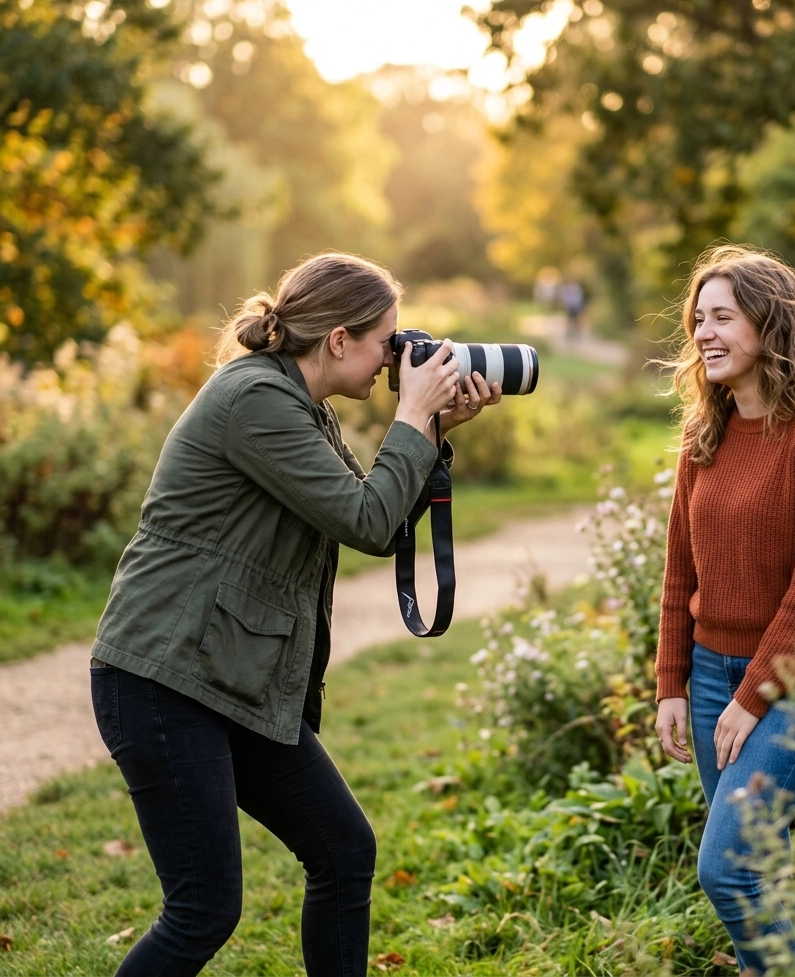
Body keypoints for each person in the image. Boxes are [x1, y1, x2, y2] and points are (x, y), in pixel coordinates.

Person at [88, 252, 502, 977]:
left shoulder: (298, 404)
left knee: (344, 851)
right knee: (202, 909)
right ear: (338, 339)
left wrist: (431, 427)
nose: (393, 358)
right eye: (386, 340)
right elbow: (369, 520)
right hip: (165, 678)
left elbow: (371, 513)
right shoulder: (256, 400)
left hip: (227, 677)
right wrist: (411, 414)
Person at [654, 246, 795, 975]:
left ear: (770, 326)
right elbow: (680, 568)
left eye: (722, 318)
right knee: (756, 869)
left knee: (729, 869)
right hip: (714, 680)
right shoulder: (703, 436)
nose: (704, 334)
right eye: (698, 321)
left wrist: (753, 697)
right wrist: (671, 684)